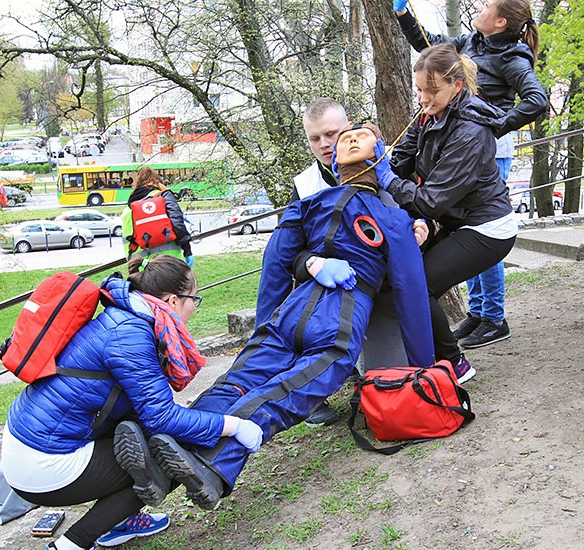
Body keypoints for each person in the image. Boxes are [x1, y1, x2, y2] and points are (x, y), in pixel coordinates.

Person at [135, 123, 435, 511]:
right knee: (277, 390)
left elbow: (276, 265)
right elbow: (410, 296)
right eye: (350, 137)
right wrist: (427, 369)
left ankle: (168, 454)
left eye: (355, 137)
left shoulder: (328, 208)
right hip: (337, 317)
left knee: (246, 382)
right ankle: (207, 464)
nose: (348, 138)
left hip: (301, 312)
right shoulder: (371, 217)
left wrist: (266, 323)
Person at [1, 255, 263, 550]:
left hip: (36, 439)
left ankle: (117, 523)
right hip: (41, 462)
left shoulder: (127, 316)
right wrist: (235, 426)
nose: (194, 308)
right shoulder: (131, 335)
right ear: (172, 301)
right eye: (193, 300)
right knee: (161, 463)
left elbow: (146, 408)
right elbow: (162, 418)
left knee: (143, 443)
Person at [394, 0, 548, 350]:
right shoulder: (471, 43)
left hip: (481, 140)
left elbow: (537, 100)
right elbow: (431, 48)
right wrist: (403, 15)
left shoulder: (512, 56)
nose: (481, 6)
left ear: (501, 21)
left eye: (489, 5)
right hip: (460, 129)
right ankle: (478, 311)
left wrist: (494, 123)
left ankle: (493, 316)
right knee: (461, 228)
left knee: (477, 226)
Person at [371, 44, 517, 384]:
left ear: (457, 86)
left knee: (417, 284)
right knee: (401, 278)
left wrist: (389, 180)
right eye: (420, 90)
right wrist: (376, 164)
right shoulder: (431, 113)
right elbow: (402, 159)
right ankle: (421, 356)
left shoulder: (471, 131)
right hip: (460, 221)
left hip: (488, 229)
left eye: (431, 90)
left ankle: (454, 363)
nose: (423, 98)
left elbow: (432, 200)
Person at [290, 98, 349, 427]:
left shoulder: (382, 166)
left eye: (331, 133)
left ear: (348, 128)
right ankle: (313, 395)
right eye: (315, 138)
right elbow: (291, 254)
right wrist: (313, 264)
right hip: (325, 280)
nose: (324, 144)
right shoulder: (303, 187)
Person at [122, 166, 195, 267]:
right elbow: (177, 223)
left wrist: (132, 262)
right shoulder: (164, 198)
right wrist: (187, 251)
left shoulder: (128, 210)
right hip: (172, 262)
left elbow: (127, 241)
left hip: (143, 265)